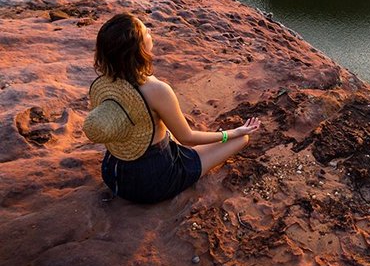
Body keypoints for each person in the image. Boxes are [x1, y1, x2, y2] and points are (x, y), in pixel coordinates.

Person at [83, 12, 261, 204]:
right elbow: (188, 138)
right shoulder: (156, 90)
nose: (150, 31)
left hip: (113, 174)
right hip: (153, 180)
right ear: (139, 48)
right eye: (146, 32)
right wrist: (232, 132)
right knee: (242, 139)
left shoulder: (104, 84)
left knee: (167, 133)